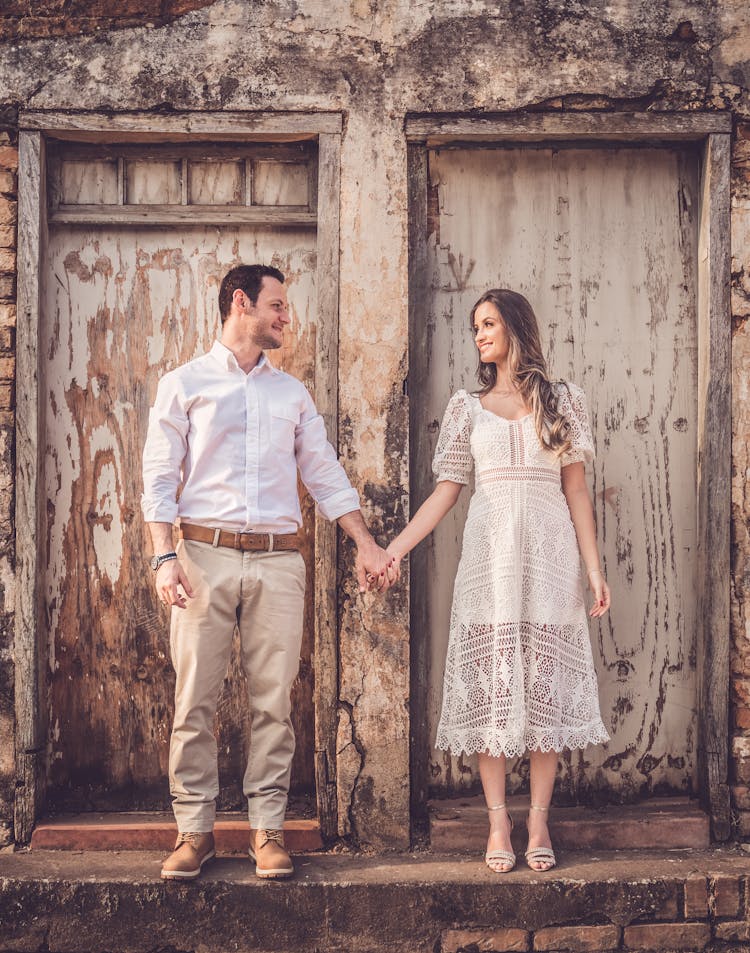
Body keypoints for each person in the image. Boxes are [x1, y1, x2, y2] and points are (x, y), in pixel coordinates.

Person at [141, 264, 393, 881]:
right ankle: (193, 832)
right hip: (202, 556)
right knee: (193, 701)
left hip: (280, 561)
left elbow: (325, 473)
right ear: (241, 304)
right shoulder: (185, 384)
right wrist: (164, 555)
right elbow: (158, 476)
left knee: (273, 703)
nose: (286, 317)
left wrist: (363, 540)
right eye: (277, 306)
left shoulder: (292, 395)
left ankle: (267, 830)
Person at [386, 289, 610, 873]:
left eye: (488, 323)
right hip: (489, 563)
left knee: (541, 687)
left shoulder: (563, 402)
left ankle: (537, 817)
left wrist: (592, 568)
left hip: (550, 557)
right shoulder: (467, 407)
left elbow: (577, 490)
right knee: (491, 689)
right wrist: (394, 549)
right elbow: (444, 494)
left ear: (514, 326)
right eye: (474, 327)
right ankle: (498, 823)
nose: (479, 334)